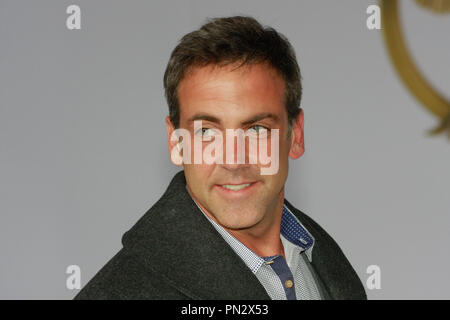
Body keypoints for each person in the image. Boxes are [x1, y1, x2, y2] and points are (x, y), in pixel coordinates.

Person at [74, 16, 366, 300]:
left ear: (296, 135)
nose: (234, 160)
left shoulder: (326, 262)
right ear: (176, 142)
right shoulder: (121, 291)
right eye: (207, 132)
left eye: (257, 129)